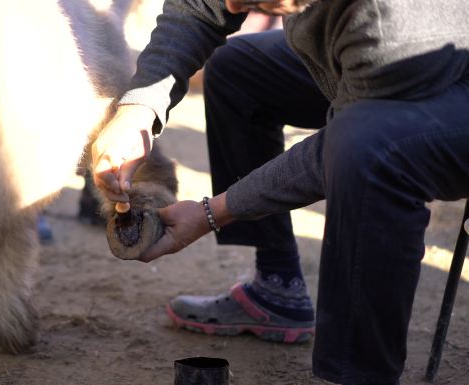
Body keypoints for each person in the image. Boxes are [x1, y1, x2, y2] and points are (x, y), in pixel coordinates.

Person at [91, 1, 469, 384]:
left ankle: (360, 376)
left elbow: (333, 148)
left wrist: (214, 212)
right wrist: (136, 110)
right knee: (236, 70)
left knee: (367, 153)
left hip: (446, 87)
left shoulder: (391, 23)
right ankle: (277, 288)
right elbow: (199, 8)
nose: (235, 6)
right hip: (367, 66)